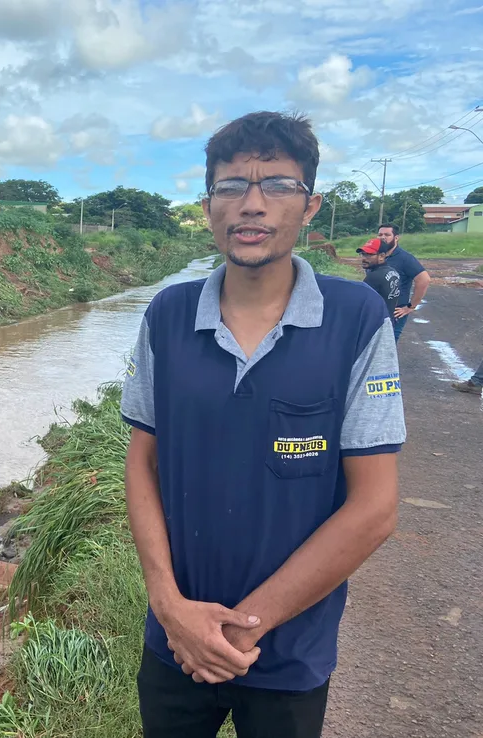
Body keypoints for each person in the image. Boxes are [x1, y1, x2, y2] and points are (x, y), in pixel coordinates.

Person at [122, 111, 405, 738]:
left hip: (289, 650)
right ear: (208, 206)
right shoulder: (167, 315)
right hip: (174, 640)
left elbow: (375, 508)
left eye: (277, 184)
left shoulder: (356, 318)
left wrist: (237, 628)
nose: (252, 204)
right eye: (232, 186)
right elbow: (141, 464)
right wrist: (170, 609)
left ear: (310, 207)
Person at [379, 224, 430, 342]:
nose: (383, 237)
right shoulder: (377, 255)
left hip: (395, 311)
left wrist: (410, 306)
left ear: (396, 238)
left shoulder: (405, 258)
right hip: (378, 308)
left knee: (388, 346)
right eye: (380, 234)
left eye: (387, 235)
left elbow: (424, 280)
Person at [357, 238, 401, 319]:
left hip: (376, 323)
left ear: (381, 256)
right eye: (362, 254)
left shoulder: (373, 277)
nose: (364, 258)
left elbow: (362, 305)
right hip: (388, 322)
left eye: (369, 254)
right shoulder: (393, 272)